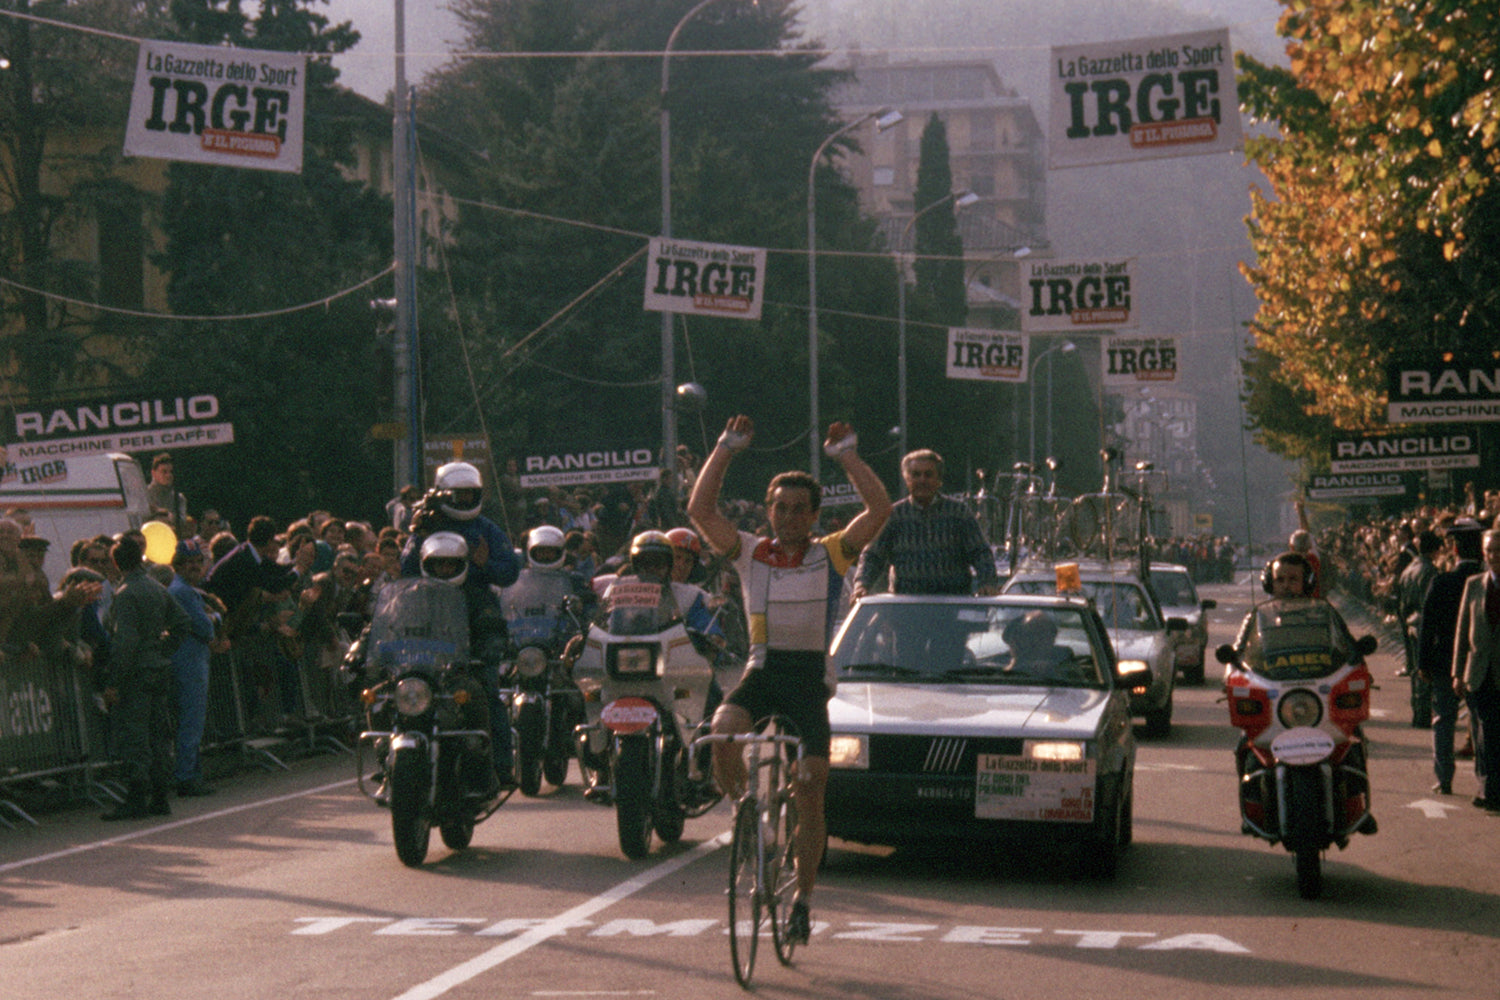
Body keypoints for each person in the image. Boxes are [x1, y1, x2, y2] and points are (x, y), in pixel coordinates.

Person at [688, 415, 890, 946]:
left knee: (810, 790)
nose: (790, 517)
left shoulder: (832, 553)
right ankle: (744, 811)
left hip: (807, 682)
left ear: (815, 514)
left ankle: (802, 898)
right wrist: (724, 449)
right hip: (762, 670)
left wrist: (848, 455)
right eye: (780, 507)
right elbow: (700, 510)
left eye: (801, 509)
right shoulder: (752, 552)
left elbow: (880, 511)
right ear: (768, 509)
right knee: (723, 730)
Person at [402, 463, 522, 780]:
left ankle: (501, 762)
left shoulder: (486, 529)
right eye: (459, 493)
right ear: (443, 494)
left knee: (486, 684)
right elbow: (406, 570)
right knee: (406, 682)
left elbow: (510, 571)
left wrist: (485, 564)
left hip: (476, 612)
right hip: (429, 612)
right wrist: (418, 535)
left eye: (471, 493)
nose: (466, 498)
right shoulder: (425, 523)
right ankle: (397, 756)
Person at [100, 532, 194, 820]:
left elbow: (125, 642)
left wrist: (114, 680)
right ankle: (159, 796)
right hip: (156, 667)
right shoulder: (155, 587)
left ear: (116, 563)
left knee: (135, 735)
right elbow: (182, 622)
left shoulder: (126, 593)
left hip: (136, 673)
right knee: (157, 734)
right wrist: (162, 650)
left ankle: (137, 796)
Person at [852, 448, 999, 598]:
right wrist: (861, 585)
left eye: (928, 475)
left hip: (953, 604)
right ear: (907, 479)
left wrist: (987, 583)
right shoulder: (894, 515)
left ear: (939, 480)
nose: (922, 480)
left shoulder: (958, 512)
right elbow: (873, 555)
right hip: (906, 606)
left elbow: (980, 552)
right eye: (916, 475)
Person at [1418, 518, 1484, 796]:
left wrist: (1422, 664)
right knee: (1480, 722)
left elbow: (1426, 627)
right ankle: (1486, 779)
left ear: (1454, 549)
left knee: (1443, 720)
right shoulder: (1485, 584)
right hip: (1480, 663)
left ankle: (1444, 778)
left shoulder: (1442, 582)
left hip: (1444, 663)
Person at [167, 539, 225, 797]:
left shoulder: (187, 590)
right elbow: (205, 626)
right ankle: (186, 776)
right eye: (188, 562)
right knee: (191, 720)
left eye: (197, 561)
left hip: (192, 660)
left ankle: (190, 772)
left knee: (191, 720)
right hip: (188, 662)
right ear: (178, 565)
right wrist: (214, 616)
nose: (194, 567)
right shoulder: (182, 591)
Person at [1451, 528, 1500, 812]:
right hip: (1478, 672)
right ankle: (1487, 789)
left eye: (1498, 550)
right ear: (1483, 553)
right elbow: (1461, 630)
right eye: (1490, 550)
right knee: (1482, 734)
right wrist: (1457, 672)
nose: (1494, 556)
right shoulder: (1474, 584)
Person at [1397, 530, 1442, 726]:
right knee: (1425, 670)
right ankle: (1424, 714)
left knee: (1416, 669)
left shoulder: (1409, 569)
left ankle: (1418, 711)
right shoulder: (1430, 571)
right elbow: (1430, 601)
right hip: (1423, 622)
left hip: (1409, 621)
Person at [145, 453, 189, 535]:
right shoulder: (143, 495)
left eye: (171, 472)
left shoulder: (179, 498)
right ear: (153, 473)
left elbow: (182, 522)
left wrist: (162, 513)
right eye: (164, 472)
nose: (168, 475)